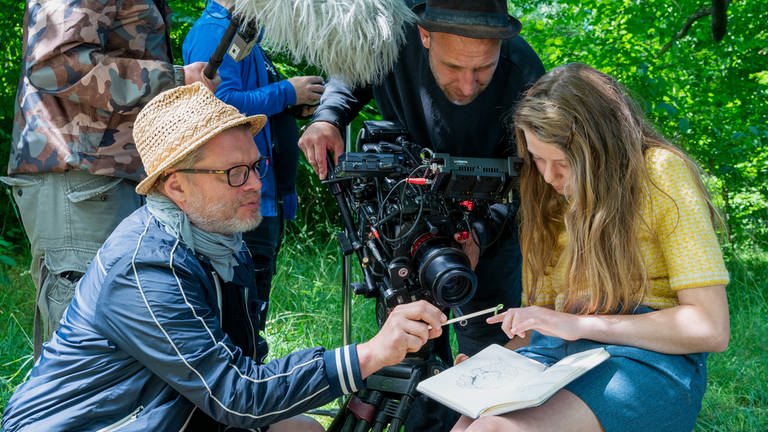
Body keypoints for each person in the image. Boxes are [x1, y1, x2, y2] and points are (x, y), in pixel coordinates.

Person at [0, 83, 447, 432]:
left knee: (301, 429)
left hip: (164, 414)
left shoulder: (218, 241)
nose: (254, 184)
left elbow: (245, 364)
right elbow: (238, 396)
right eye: (234, 173)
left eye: (255, 166)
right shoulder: (146, 268)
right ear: (175, 185)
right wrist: (368, 355)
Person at [451, 63, 731, 432]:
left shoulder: (660, 173)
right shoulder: (548, 195)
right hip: (559, 355)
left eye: (563, 163)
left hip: (646, 361)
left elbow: (710, 328)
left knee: (495, 430)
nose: (548, 176)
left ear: (600, 152)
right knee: (470, 423)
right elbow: (548, 322)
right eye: (537, 158)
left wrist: (579, 324)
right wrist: (493, 363)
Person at [298, 0, 545, 362]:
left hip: (491, 230)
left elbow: (534, 181)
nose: (466, 84)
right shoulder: (387, 40)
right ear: (424, 34)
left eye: (483, 68)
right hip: (407, 225)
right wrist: (328, 118)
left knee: (492, 351)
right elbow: (349, 73)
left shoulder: (524, 72)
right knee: (414, 351)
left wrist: (478, 231)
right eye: (453, 66)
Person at [1, 0, 218, 357]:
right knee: (86, 347)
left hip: (110, 176)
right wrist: (173, 80)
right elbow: (54, 64)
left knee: (122, 341)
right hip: (81, 178)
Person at [182, 0, 325, 363]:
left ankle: (251, 381)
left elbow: (254, 104)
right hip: (240, 197)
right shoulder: (215, 32)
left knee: (254, 303)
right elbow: (218, 104)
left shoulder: (246, 34)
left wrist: (292, 105)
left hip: (265, 194)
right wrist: (287, 92)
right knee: (241, 305)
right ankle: (243, 386)